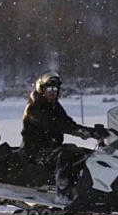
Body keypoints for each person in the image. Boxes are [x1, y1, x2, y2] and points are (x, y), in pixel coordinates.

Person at [21, 71, 107, 204]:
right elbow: (58, 124)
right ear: (41, 88)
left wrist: (93, 132)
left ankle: (85, 189)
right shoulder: (34, 107)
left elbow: (68, 123)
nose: (53, 91)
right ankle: (62, 194)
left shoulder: (54, 106)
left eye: (55, 88)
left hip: (51, 147)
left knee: (84, 154)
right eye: (49, 88)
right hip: (35, 151)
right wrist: (84, 132)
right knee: (65, 155)